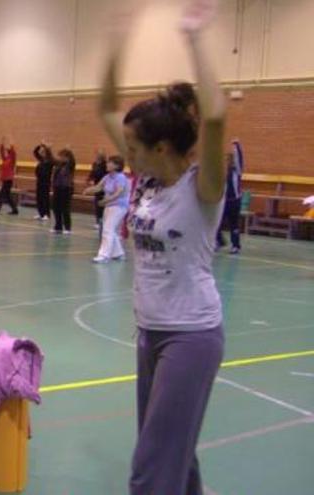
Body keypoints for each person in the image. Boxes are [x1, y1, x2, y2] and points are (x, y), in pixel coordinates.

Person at [98, 1, 227, 492]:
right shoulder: (147, 179)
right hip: (150, 334)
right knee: (176, 457)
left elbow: (214, 117)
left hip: (191, 337)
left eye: (133, 147)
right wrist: (116, 40)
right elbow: (107, 106)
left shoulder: (201, 188)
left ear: (162, 148)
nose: (124, 154)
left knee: (152, 467)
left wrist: (194, 37)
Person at [84, 155, 130, 263]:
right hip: (109, 206)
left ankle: (104, 255)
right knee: (110, 229)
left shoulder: (120, 177)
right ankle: (118, 253)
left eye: (110, 163)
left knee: (108, 229)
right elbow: (98, 187)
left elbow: (118, 192)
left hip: (119, 206)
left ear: (117, 165)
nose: (107, 164)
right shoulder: (107, 176)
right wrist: (88, 190)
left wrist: (106, 200)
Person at [216, 139, 243, 253]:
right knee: (217, 223)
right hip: (223, 201)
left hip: (234, 201)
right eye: (226, 160)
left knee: (234, 224)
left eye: (230, 160)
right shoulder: (222, 173)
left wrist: (237, 146)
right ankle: (219, 242)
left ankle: (235, 245)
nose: (228, 162)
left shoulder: (237, 171)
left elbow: (240, 159)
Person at [51, 148, 76, 234]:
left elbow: (72, 161)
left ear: (67, 157)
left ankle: (67, 227)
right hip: (57, 188)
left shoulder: (70, 165)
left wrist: (69, 151)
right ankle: (58, 226)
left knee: (65, 208)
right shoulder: (58, 165)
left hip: (66, 188)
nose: (59, 158)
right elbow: (52, 159)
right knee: (56, 208)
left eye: (62, 156)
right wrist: (49, 149)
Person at [0, 137, 19, 215]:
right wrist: (1, 144)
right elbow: (2, 152)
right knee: (7, 196)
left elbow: (13, 152)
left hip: (8, 180)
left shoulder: (12, 159)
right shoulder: (6, 159)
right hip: (5, 179)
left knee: (1, 195)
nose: (7, 150)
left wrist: (12, 145)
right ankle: (15, 210)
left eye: (8, 150)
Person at [32, 143, 54, 221]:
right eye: (42, 152)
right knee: (39, 198)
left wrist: (46, 147)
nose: (42, 153)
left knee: (45, 198)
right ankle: (41, 213)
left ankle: (46, 214)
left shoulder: (50, 161)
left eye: (44, 152)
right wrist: (40, 145)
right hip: (39, 181)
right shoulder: (41, 160)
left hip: (46, 182)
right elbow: (35, 152)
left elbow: (50, 155)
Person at [88, 150, 109, 228]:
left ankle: (103, 220)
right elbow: (92, 173)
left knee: (102, 204)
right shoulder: (95, 164)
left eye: (99, 156)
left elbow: (105, 175)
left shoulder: (105, 165)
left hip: (104, 187)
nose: (97, 157)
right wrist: (90, 179)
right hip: (97, 186)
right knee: (97, 204)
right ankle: (98, 221)